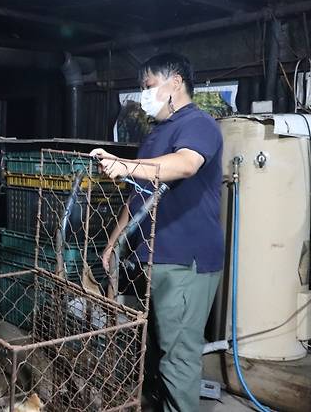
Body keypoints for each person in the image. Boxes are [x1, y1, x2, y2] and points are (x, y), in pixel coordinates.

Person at [91, 53, 223, 412]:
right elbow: (140, 196)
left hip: (185, 259)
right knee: (156, 352)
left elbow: (185, 164)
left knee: (178, 358)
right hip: (152, 255)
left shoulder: (198, 123)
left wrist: (126, 165)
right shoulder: (157, 133)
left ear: (175, 82)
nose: (143, 93)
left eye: (149, 85)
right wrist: (114, 241)